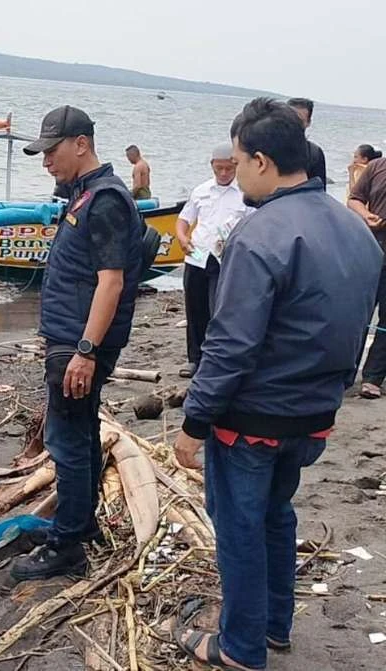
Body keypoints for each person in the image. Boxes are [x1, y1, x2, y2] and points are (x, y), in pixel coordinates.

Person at [174, 98, 380, 671]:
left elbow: (231, 343)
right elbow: (358, 324)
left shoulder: (260, 233)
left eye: (238, 160)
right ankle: (274, 625)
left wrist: (195, 420)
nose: (234, 171)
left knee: (239, 525)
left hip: (254, 416)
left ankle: (240, 647)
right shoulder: (354, 228)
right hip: (313, 412)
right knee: (276, 513)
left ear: (262, 161)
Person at [11, 106, 145, 581]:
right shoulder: (83, 195)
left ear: (81, 144)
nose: (46, 160)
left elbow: (111, 282)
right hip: (72, 337)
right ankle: (80, 524)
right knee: (81, 433)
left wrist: (86, 351)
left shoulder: (105, 199)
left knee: (65, 441)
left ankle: (65, 545)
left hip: (78, 343)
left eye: (52, 150)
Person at [176, 144, 252, 378]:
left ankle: (214, 357)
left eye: (228, 169)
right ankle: (194, 358)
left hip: (225, 258)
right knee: (194, 307)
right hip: (198, 255)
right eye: (219, 169)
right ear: (212, 166)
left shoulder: (244, 194)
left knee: (217, 309)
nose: (224, 174)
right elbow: (184, 219)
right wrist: (182, 237)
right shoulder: (201, 191)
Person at [348, 154, 386, 399]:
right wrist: (365, 214)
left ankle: (373, 377)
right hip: (370, 250)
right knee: (355, 313)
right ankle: (345, 372)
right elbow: (354, 199)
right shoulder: (376, 166)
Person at [287, 97, 327, 189]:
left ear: (308, 123)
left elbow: (320, 192)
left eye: (299, 120)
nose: (293, 123)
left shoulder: (314, 153)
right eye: (290, 118)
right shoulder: (269, 148)